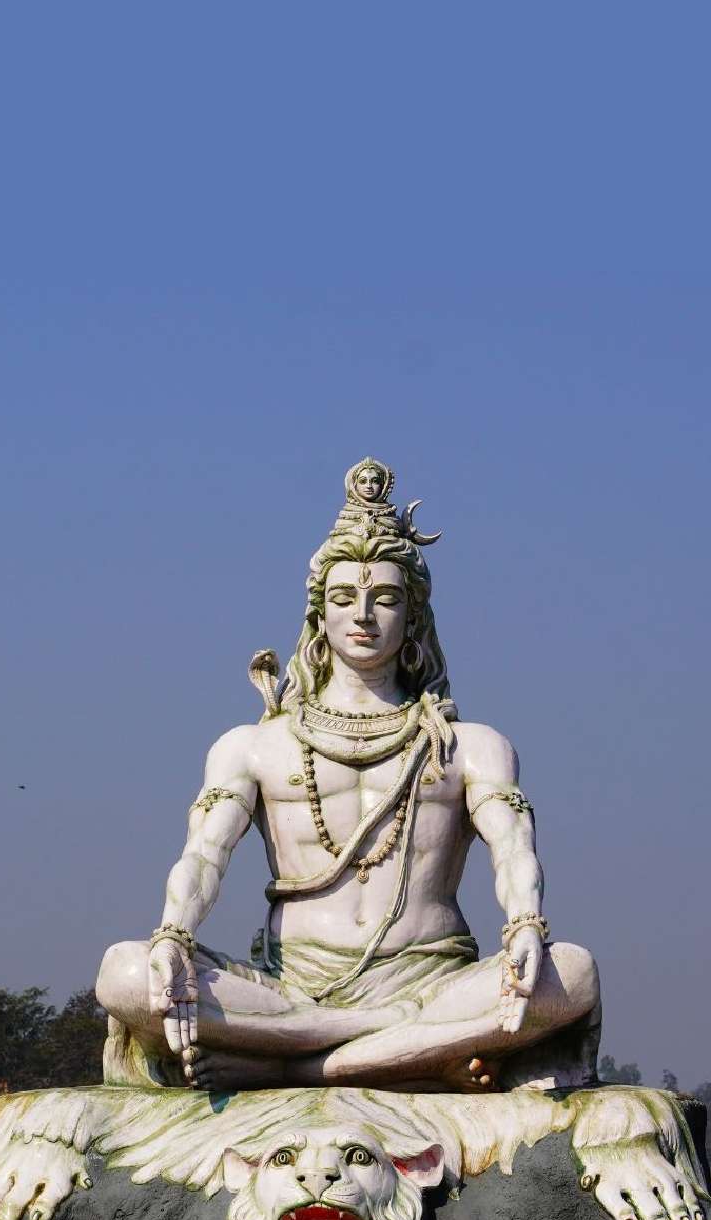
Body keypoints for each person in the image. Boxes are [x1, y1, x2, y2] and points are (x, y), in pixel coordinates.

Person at [97, 459, 600, 1093]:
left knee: (572, 973)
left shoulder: (470, 746)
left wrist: (525, 922)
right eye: (343, 599)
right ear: (319, 616)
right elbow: (203, 856)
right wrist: (174, 934)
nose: (363, 614)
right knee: (124, 973)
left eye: (385, 599)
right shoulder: (255, 746)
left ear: (413, 617)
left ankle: (297, 1065)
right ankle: (401, 1052)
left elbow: (514, 850)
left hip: (431, 983)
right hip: (292, 991)